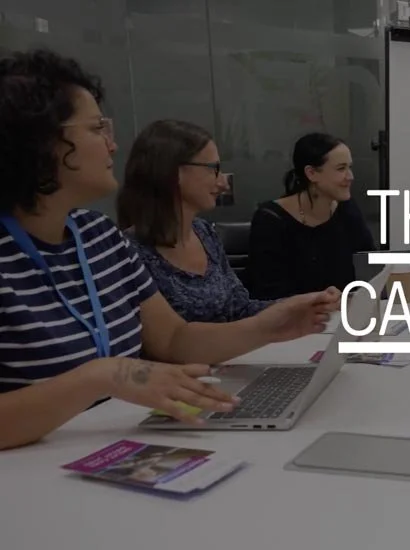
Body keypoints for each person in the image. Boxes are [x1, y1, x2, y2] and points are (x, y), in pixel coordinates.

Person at [0, 49, 339, 451]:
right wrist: (103, 375)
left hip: (108, 446)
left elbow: (174, 339)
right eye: (96, 128)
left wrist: (271, 325)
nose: (112, 145)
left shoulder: (99, 237)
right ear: (40, 141)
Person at [116, 119, 294, 323]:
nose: (223, 183)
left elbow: (240, 308)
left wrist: (299, 305)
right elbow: (162, 338)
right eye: (213, 169)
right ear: (173, 171)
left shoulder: (204, 232)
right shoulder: (129, 252)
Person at [248, 133, 376, 300]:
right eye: (341, 168)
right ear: (312, 173)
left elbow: (369, 268)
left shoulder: (347, 209)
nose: (350, 176)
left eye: (349, 167)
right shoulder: (270, 219)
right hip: (294, 314)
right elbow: (268, 292)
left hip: (344, 311)